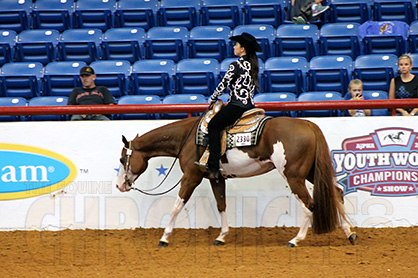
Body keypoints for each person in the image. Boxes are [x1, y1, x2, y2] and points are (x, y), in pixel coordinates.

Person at [206, 32, 262, 180]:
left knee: (213, 126)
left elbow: (223, 84)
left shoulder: (235, 65)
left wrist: (213, 98)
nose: (234, 47)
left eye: (236, 45)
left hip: (236, 106)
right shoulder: (253, 65)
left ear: (242, 49)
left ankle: (213, 166)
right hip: (249, 106)